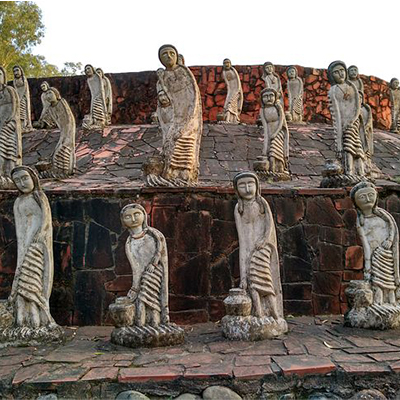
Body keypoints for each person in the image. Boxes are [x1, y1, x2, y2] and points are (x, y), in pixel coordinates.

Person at [233, 171, 284, 320]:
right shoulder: (239, 208)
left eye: (251, 184)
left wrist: (264, 240)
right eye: (242, 185)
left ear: (257, 186)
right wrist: (242, 276)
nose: (247, 188)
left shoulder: (261, 204)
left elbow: (269, 226)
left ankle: (274, 313)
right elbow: (242, 240)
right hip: (249, 249)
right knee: (252, 283)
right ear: (237, 190)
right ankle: (259, 312)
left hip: (264, 247)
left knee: (266, 283)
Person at [9, 166, 56, 328]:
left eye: (25, 178)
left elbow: (46, 221)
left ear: (33, 178)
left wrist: (39, 237)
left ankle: (40, 315)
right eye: (17, 181)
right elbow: (19, 228)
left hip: (38, 245)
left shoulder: (39, 196)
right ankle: (23, 319)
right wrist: (23, 248)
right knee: (22, 281)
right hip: (25, 245)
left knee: (34, 280)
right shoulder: (18, 202)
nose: (22, 183)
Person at [351, 181, 400, 305]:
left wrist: (389, 240)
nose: (368, 199)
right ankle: (378, 304)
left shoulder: (385, 216)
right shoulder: (361, 222)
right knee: (377, 279)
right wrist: (367, 266)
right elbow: (366, 246)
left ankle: (391, 302)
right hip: (374, 255)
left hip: (387, 252)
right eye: (362, 197)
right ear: (356, 202)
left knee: (389, 278)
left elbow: (392, 229)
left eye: (371, 195)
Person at [121, 203, 169, 327]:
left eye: (136, 214)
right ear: (123, 221)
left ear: (144, 215)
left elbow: (160, 248)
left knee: (153, 300)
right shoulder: (129, 242)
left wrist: (153, 263)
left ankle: (157, 323)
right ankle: (141, 325)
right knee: (141, 299)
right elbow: (135, 267)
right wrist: (134, 286)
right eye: (128, 217)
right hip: (142, 276)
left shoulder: (153, 234)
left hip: (155, 271)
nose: (133, 219)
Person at [328, 60, 365, 176]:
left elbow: (357, 106)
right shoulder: (333, 90)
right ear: (332, 76)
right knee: (347, 146)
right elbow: (336, 112)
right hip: (343, 122)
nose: (340, 74)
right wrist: (338, 132)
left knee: (357, 147)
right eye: (336, 72)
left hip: (353, 122)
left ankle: (360, 172)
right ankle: (349, 172)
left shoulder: (352, 86)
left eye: (342, 71)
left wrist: (353, 119)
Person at [43, 87, 76, 175]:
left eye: (50, 93)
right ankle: (60, 171)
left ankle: (66, 170)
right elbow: (55, 122)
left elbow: (68, 120)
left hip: (68, 130)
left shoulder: (62, 102)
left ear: (56, 94)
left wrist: (65, 136)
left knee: (62, 151)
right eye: (46, 95)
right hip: (62, 131)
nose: (48, 96)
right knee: (57, 152)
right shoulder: (50, 108)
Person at [0, 66, 22, 178]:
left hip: (9, 123)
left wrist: (9, 120)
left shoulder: (9, 90)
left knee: (7, 148)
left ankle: (9, 174)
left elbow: (15, 107)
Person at [82, 64, 107, 130]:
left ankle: (99, 124)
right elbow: (93, 92)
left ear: (92, 69)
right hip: (94, 99)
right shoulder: (89, 80)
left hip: (99, 98)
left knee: (98, 114)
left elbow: (101, 90)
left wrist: (101, 100)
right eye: (86, 70)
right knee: (93, 113)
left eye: (88, 68)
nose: (87, 71)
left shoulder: (97, 77)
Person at [221, 58, 243, 124]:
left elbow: (238, 80)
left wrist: (238, 89)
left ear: (230, 64)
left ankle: (234, 119)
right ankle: (228, 119)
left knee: (233, 104)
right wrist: (229, 91)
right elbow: (228, 83)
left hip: (236, 89)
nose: (226, 64)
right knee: (229, 103)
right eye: (225, 63)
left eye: (228, 63)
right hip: (230, 90)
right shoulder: (224, 72)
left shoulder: (233, 70)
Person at [12, 65, 33, 133]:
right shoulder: (14, 80)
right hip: (17, 98)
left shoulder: (23, 79)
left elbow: (24, 89)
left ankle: (25, 125)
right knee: (17, 112)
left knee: (23, 111)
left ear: (21, 71)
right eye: (14, 71)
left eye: (17, 70)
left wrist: (20, 98)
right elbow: (15, 89)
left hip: (23, 98)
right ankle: (19, 126)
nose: (16, 72)